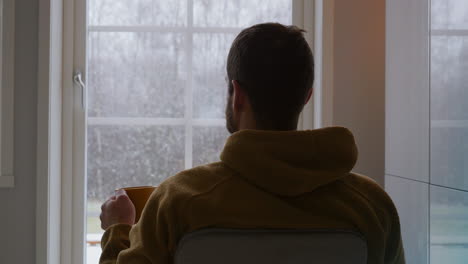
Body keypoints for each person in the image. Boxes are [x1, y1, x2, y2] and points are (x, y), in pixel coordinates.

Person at [99, 23, 405, 264]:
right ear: (306, 96)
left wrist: (117, 229)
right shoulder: (373, 207)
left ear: (238, 95)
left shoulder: (177, 202)